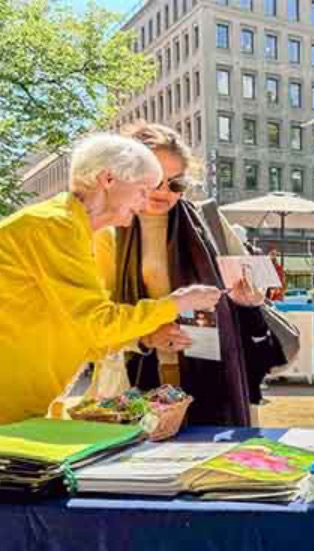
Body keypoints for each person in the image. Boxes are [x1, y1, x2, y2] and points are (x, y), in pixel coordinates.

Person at [0, 133, 219, 477]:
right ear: (108, 179)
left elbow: (85, 332)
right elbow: (96, 322)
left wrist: (145, 339)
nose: (148, 200)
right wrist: (174, 303)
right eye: (143, 187)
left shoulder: (83, 231)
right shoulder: (52, 225)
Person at [94, 123, 285, 426]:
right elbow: (94, 320)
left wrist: (248, 296)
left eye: (176, 184)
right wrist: (146, 337)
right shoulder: (107, 234)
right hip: (138, 379)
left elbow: (248, 282)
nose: (163, 192)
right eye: (155, 179)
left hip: (216, 374)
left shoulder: (207, 221)